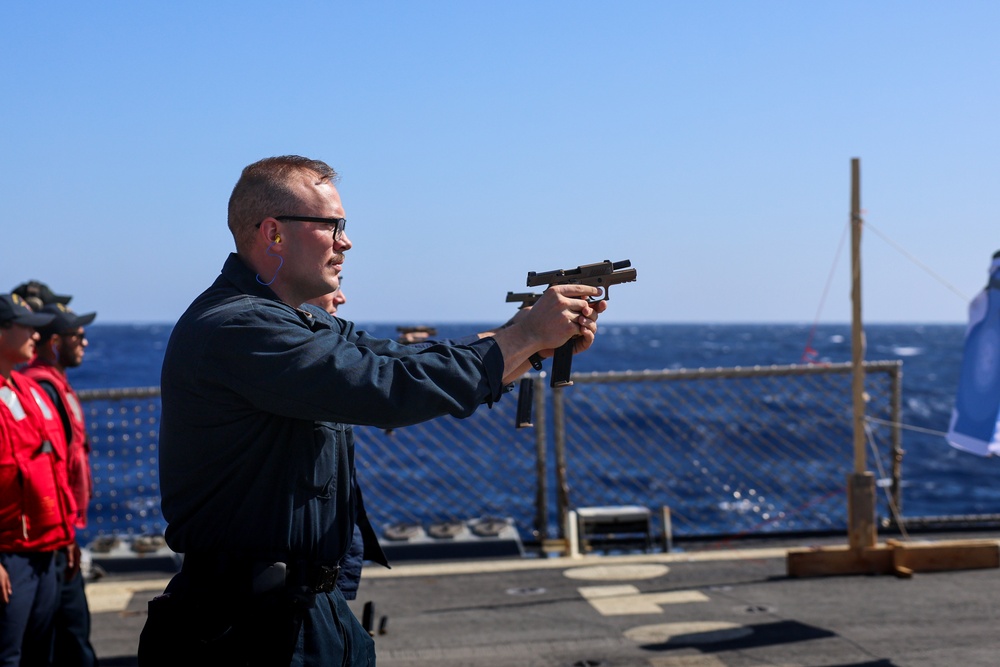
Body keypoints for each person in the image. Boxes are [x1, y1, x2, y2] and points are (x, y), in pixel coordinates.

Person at [137, 154, 606, 666]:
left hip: (307, 611)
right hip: (247, 629)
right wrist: (525, 335)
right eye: (332, 225)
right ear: (272, 233)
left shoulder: (298, 324)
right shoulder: (237, 329)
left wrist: (528, 345)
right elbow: (385, 387)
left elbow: (399, 359)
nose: (346, 241)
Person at [0, 294, 78, 666]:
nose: (35, 334)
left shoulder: (29, 390)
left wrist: (66, 536)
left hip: (47, 546)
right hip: (9, 554)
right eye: (25, 326)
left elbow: (52, 466)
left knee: (40, 653)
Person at [23, 302, 99, 667]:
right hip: (52, 536)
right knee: (67, 637)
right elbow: (50, 468)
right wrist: (64, 534)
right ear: (55, 343)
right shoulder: (44, 388)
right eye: (76, 336)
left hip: (60, 530)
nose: (84, 342)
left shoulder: (50, 386)